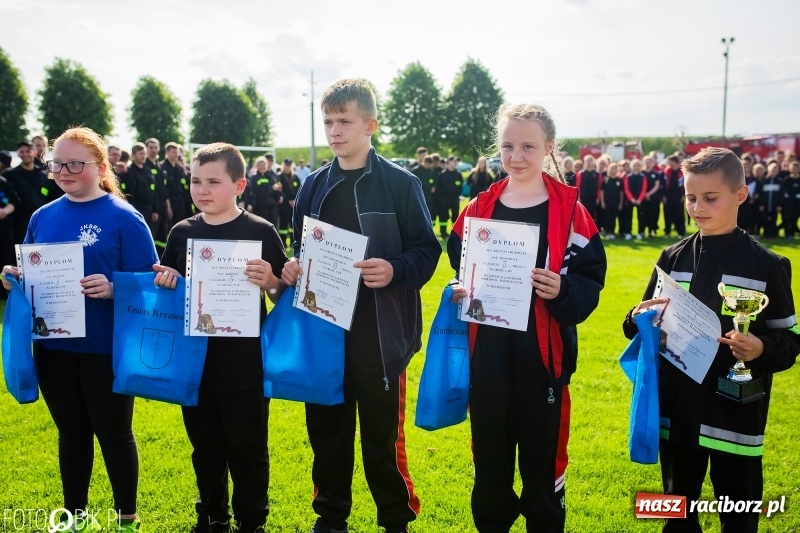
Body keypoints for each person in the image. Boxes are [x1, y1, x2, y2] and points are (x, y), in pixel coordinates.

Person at [281, 78, 440, 533]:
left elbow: (426, 252)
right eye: (328, 122)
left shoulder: (400, 184)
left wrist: (393, 269)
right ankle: (330, 517)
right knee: (327, 434)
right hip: (324, 330)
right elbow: (301, 247)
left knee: (381, 438)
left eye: (344, 121)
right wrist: (294, 267)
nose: (334, 131)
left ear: (370, 125)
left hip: (380, 334)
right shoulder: (312, 186)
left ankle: (395, 518)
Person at [447, 103, 606, 533]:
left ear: (549, 147)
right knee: (491, 462)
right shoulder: (480, 206)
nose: (516, 157)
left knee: (541, 465)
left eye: (528, 146)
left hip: (543, 364)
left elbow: (591, 282)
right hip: (490, 360)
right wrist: (464, 285)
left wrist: (563, 291)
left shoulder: (570, 212)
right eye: (507, 146)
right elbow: (458, 256)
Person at [622, 147, 799, 533]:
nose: (697, 207)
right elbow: (636, 322)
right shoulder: (671, 257)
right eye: (690, 197)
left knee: (738, 516)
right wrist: (638, 319)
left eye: (710, 198)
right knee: (675, 514)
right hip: (677, 412)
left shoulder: (768, 265)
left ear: (740, 194)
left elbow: (790, 342)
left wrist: (760, 349)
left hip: (734, 414)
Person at [1, 126, 158, 533]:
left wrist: (114, 287)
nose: (64, 172)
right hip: (53, 345)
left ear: (102, 166)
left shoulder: (125, 218)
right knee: (71, 435)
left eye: (75, 163)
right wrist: (14, 277)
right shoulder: (42, 216)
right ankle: (75, 517)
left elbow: (150, 284)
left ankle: (127, 516)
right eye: (57, 164)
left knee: (114, 434)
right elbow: (32, 269)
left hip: (105, 347)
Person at [154, 143, 287, 533]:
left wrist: (273, 282)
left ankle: (251, 519)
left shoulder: (260, 231)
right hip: (196, 365)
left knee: (247, 447)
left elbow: (284, 297)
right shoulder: (181, 233)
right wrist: (169, 281)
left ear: (239, 185)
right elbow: (174, 290)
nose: (202, 189)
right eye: (196, 181)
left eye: (214, 181)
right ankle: (212, 515)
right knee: (206, 447)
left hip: (245, 363)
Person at [3, 141, 58, 244]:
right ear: (18, 154)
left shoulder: (43, 175)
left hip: (42, 219)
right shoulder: (9, 175)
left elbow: (52, 195)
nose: (25, 154)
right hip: (20, 222)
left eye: (28, 151)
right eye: (22, 152)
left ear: (34, 152)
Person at [248, 155, 283, 227]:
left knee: (273, 229)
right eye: (260, 165)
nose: (262, 167)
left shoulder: (271, 177)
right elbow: (257, 191)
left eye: (264, 165)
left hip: (272, 208)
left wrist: (280, 195)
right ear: (257, 166)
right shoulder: (253, 178)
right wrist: (271, 189)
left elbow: (277, 188)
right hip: (259, 208)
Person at [161, 142, 188, 228]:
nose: (177, 154)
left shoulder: (179, 168)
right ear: (167, 153)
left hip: (180, 200)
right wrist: (168, 206)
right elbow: (163, 189)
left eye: (177, 152)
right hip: (169, 200)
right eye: (174, 152)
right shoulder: (162, 167)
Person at [435, 156, 463, 238]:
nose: (455, 163)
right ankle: (443, 233)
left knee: (455, 216)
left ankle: (455, 233)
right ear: (449, 162)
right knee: (443, 216)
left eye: (456, 162)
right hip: (444, 199)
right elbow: (438, 188)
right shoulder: (442, 175)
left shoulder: (458, 174)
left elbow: (460, 186)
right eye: (453, 161)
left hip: (454, 199)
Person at [621, 158, 648, 240]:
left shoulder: (643, 176)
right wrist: (632, 199)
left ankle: (640, 232)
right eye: (634, 165)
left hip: (640, 200)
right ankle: (628, 232)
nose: (636, 167)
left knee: (641, 217)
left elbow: (644, 188)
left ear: (640, 167)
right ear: (631, 167)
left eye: (638, 165)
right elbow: (626, 189)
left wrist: (639, 199)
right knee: (628, 217)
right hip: (630, 200)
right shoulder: (628, 177)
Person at [278, 158, 301, 247]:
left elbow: (299, 189)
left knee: (293, 225)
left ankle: (292, 243)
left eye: (289, 165)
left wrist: (294, 200)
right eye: (286, 165)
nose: (287, 167)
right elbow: (281, 191)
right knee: (283, 225)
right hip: (284, 204)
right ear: (283, 165)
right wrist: (288, 200)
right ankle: (283, 244)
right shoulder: (279, 176)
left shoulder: (295, 177)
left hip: (294, 204)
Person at [663, 155, 685, 238]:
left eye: (669, 161)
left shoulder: (682, 171)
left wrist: (684, 195)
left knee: (679, 214)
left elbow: (686, 184)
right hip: (668, 197)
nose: (668, 163)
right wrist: (663, 196)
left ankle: (680, 232)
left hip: (679, 196)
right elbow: (664, 184)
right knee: (667, 214)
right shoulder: (667, 171)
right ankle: (667, 232)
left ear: (674, 162)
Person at [410, 154, 436, 224]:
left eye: (430, 165)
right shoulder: (415, 170)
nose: (428, 166)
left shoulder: (431, 172)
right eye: (427, 164)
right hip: (417, 195)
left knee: (428, 211)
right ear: (423, 162)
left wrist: (434, 187)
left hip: (428, 196)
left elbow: (434, 181)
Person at [601, 162, 623, 239]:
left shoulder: (619, 180)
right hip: (607, 202)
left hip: (615, 202)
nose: (613, 170)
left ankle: (612, 232)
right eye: (612, 168)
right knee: (607, 217)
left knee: (613, 218)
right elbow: (602, 191)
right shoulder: (605, 180)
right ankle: (607, 232)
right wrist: (603, 202)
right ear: (609, 169)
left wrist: (620, 203)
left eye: (615, 169)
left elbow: (621, 192)